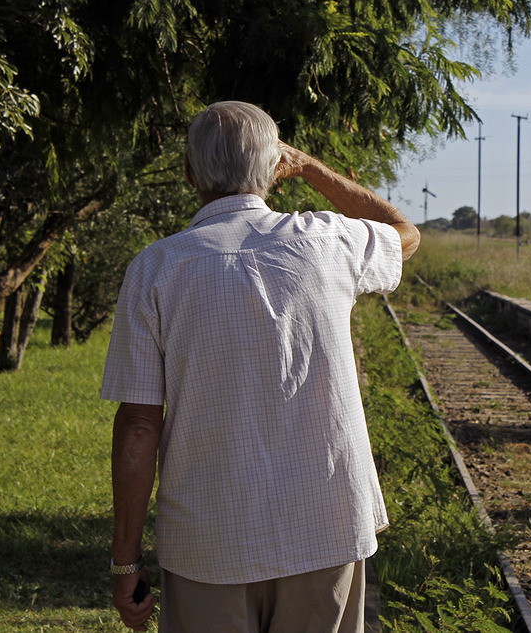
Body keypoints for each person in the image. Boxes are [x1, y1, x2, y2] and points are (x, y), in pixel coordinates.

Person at [101, 100, 419, 632]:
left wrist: (125, 561)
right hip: (327, 528)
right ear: (276, 168)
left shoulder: (155, 269)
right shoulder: (328, 241)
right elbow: (402, 234)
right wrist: (313, 167)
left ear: (187, 173)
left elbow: (138, 426)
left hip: (207, 541)